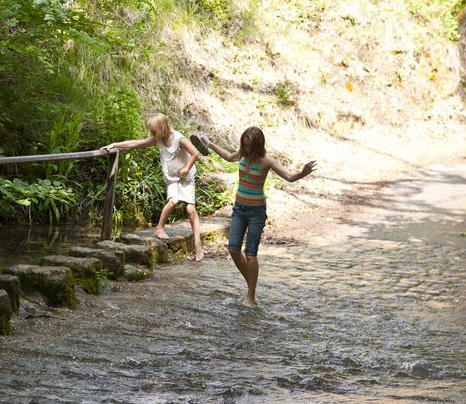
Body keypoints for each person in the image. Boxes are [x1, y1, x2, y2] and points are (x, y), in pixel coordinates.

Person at [193, 127, 316, 306]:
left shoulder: (267, 161)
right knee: (233, 249)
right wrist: (209, 144)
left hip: (256, 212)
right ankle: (252, 284)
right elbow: (228, 156)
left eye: (250, 146)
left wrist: (302, 173)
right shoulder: (243, 154)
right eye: (245, 145)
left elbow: (289, 176)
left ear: (258, 145)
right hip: (239, 209)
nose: (247, 150)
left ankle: (250, 295)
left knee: (250, 255)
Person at [102, 114, 204, 261]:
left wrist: (187, 168)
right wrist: (116, 144)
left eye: (154, 131)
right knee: (173, 201)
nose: (152, 134)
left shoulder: (178, 139)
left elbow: (195, 153)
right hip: (171, 178)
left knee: (190, 209)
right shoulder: (158, 140)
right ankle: (159, 228)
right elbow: (136, 143)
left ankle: (198, 245)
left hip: (185, 177)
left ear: (163, 128)